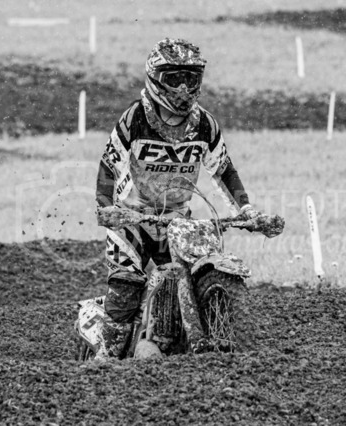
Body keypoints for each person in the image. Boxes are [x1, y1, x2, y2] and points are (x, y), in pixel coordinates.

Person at [94, 38, 259, 360]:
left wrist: (247, 209)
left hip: (178, 221)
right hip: (132, 219)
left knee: (197, 276)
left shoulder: (205, 125)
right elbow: (108, 165)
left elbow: (223, 169)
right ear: (156, 79)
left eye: (190, 78)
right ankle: (105, 363)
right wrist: (106, 207)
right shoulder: (135, 118)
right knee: (126, 288)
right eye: (174, 78)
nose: (183, 88)